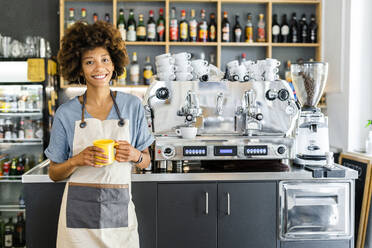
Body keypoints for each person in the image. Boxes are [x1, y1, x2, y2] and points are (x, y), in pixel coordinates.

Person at [45, 21, 154, 248]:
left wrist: (134, 155)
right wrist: (77, 160)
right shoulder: (66, 113)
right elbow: (54, 173)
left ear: (114, 63)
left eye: (105, 59)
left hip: (119, 216)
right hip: (78, 222)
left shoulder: (132, 106)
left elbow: (146, 161)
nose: (99, 68)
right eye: (89, 62)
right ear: (79, 68)